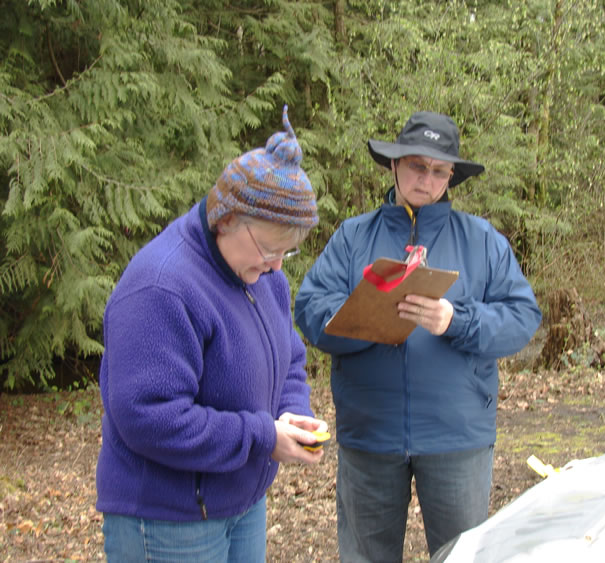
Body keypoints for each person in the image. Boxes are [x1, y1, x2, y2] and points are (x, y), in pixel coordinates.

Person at [294, 111, 542, 560]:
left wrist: (456, 321)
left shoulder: (482, 241)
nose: (425, 179)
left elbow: (522, 317)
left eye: (437, 171)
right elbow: (310, 308)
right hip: (369, 435)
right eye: (415, 165)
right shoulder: (353, 237)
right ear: (393, 165)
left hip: (457, 436)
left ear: (451, 177)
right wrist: (369, 321)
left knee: (461, 555)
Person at [95, 106, 328, 562]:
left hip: (241, 502)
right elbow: (148, 416)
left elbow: (291, 358)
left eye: (289, 251)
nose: (278, 266)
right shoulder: (162, 286)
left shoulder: (262, 275)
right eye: (269, 248)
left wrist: (292, 413)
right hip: (168, 520)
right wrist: (263, 437)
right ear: (226, 219)